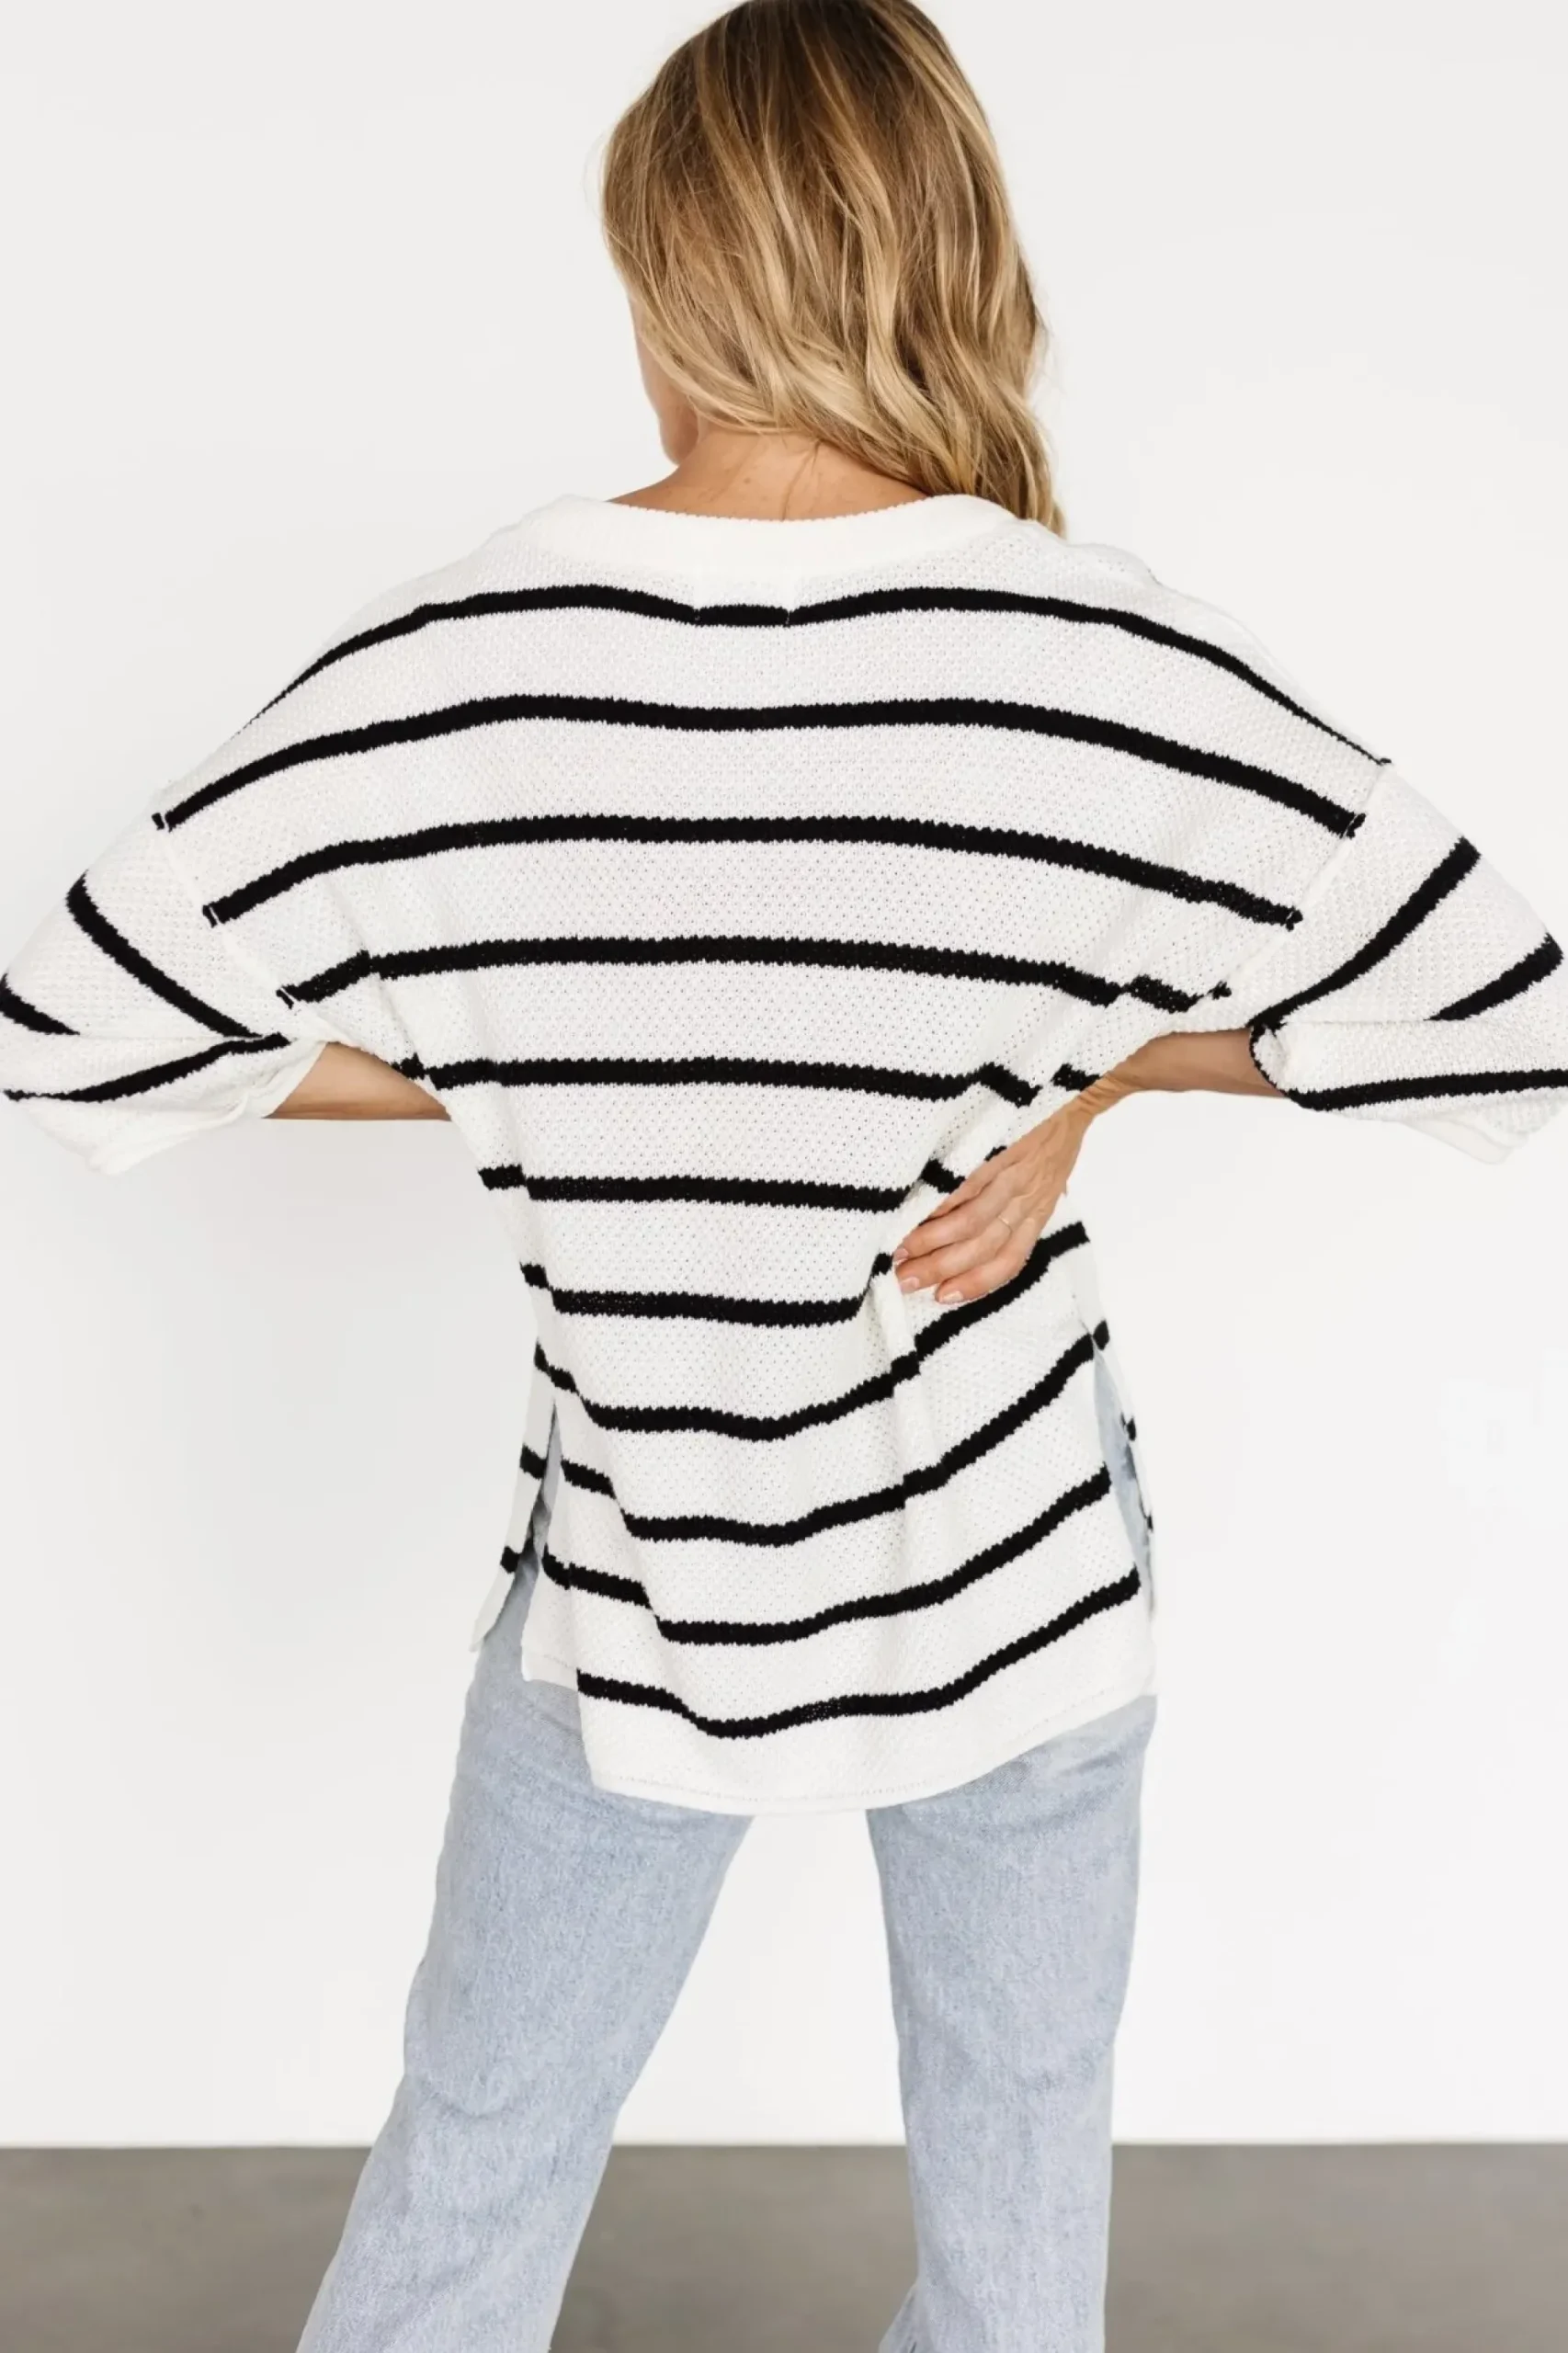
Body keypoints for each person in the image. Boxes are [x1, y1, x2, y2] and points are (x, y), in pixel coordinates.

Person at [3, 3, 1565, 2347]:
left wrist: (516, 1060)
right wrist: (1106, 1079)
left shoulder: (464, 658)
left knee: (472, 2176)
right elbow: (1508, 1009)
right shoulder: (1098, 653)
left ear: (671, 277)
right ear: (942, 258)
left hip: (647, 1564)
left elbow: (66, 1026)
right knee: (1020, 2240)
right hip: (1018, 1561)